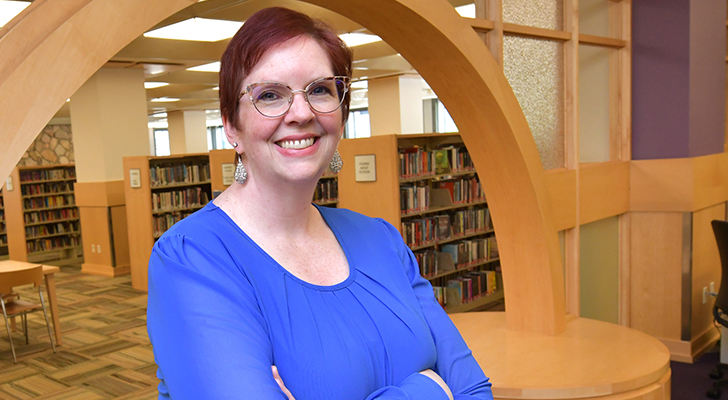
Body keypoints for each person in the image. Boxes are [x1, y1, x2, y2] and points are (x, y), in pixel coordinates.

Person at [146, 7, 493, 400]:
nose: (301, 112)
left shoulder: (381, 239)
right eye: (270, 95)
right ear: (231, 126)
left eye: (319, 90)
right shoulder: (192, 258)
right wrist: (429, 389)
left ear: (341, 112)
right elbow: (452, 388)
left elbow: (475, 390)